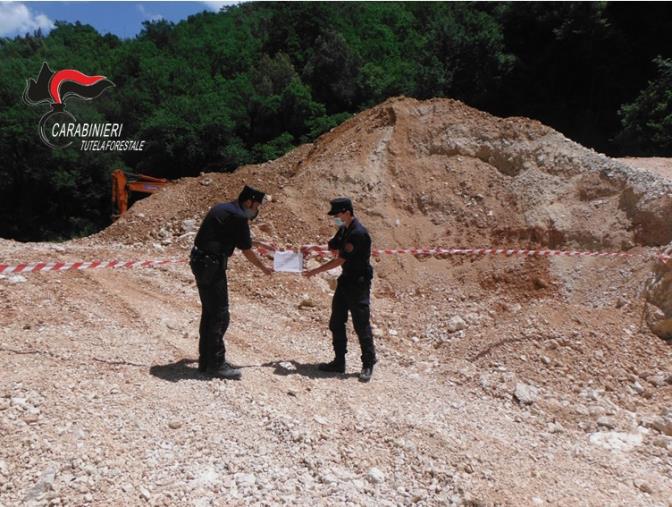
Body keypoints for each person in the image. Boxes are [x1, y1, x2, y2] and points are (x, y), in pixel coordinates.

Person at [190, 185, 273, 380]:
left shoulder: (225, 209)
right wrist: (264, 268)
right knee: (220, 314)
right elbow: (246, 250)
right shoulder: (238, 216)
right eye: (256, 206)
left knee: (210, 312)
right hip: (211, 266)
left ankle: (206, 360)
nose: (256, 211)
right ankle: (216, 364)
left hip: (201, 262)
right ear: (249, 201)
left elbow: (235, 237)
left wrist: (261, 244)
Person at [303, 197, 377, 381]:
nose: (335, 218)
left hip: (358, 283)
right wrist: (314, 247)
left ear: (346, 211)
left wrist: (315, 270)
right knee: (336, 321)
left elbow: (339, 259)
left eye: (336, 214)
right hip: (345, 280)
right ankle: (339, 361)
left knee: (361, 324)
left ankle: (368, 362)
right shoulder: (344, 229)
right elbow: (333, 246)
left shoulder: (357, 233)